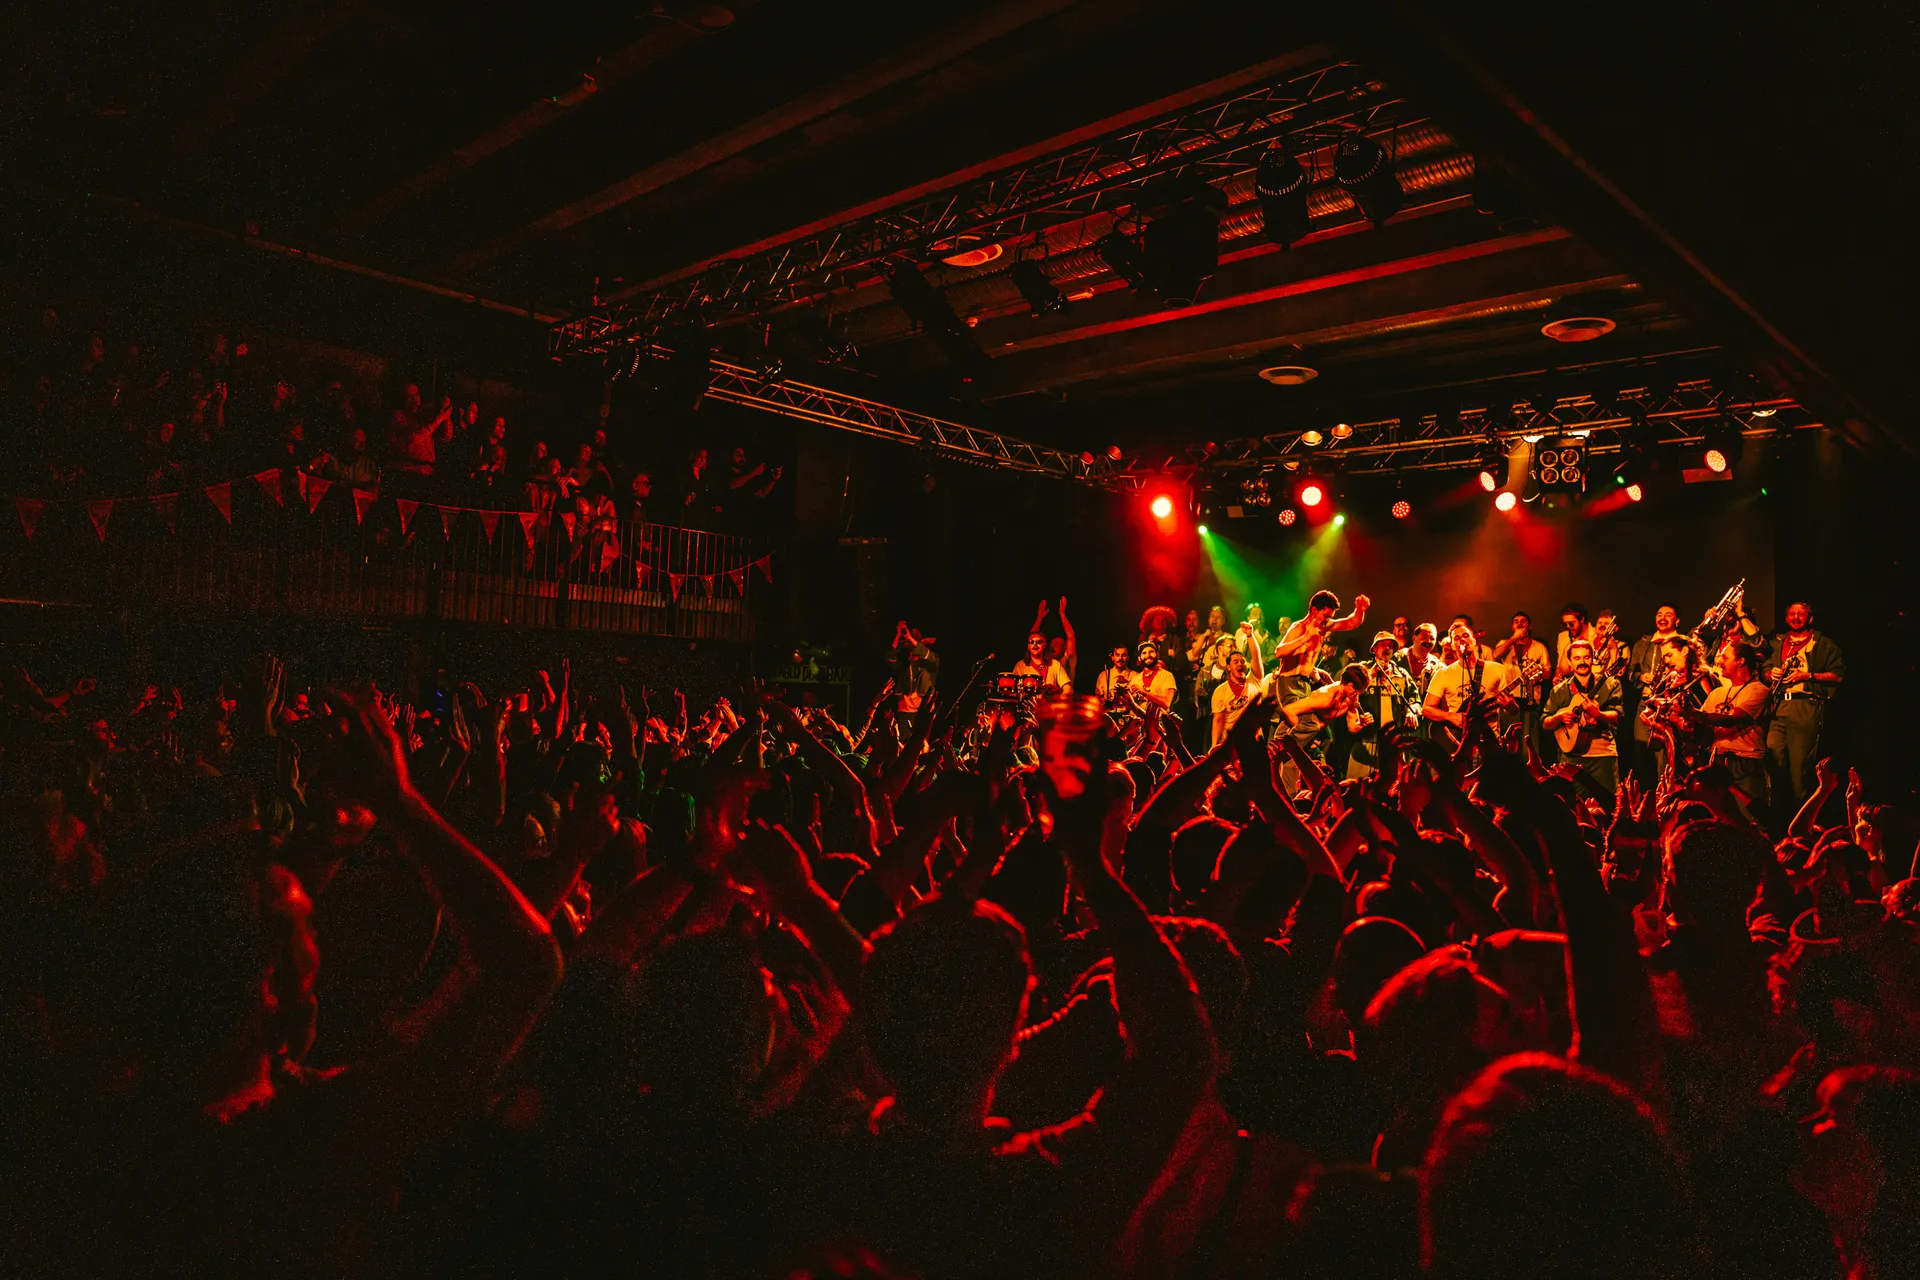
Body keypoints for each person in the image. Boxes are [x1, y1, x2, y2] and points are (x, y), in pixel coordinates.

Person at [1740, 600, 1845, 812]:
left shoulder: (1823, 644)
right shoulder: (1777, 643)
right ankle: (1779, 818)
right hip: (1778, 707)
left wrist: (1807, 675)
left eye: (1801, 614)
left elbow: (1838, 675)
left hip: (1804, 705)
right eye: (1792, 614)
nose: (1796, 617)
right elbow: (1763, 671)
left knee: (1800, 770)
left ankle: (1802, 820)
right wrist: (1770, 674)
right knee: (1774, 762)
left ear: (1810, 618)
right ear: (1786, 618)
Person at [1679, 639, 1772, 826]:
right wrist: (1681, 719)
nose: (1719, 662)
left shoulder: (1759, 690)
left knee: (1749, 820)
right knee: (1719, 821)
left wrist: (1692, 713)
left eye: (1725, 657)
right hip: (1718, 760)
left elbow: (1732, 720)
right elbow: (1701, 725)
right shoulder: (1717, 693)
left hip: (1746, 761)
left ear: (1741, 661)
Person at [1542, 638, 1623, 795]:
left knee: (1607, 802)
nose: (1582, 662)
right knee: (1573, 803)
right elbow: (1545, 722)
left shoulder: (1611, 684)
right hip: (1571, 756)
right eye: (1577, 658)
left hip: (1603, 754)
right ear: (1570, 662)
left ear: (1592, 659)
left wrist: (1598, 714)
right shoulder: (1559, 690)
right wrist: (1558, 718)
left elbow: (1616, 715)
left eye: (1586, 657)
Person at [1423, 617, 1509, 741]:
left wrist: (1510, 705)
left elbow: (1512, 711)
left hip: (1490, 740)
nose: (1462, 639)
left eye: (1465, 635)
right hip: (1458, 740)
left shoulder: (1497, 669)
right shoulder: (1443, 673)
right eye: (1457, 638)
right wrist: (1451, 716)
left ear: (1474, 641)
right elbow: (1427, 709)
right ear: (1453, 646)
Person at [1349, 631, 1416, 777]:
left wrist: (1411, 711)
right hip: (1368, 738)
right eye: (1383, 645)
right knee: (1362, 784)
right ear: (1374, 649)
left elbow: (1414, 698)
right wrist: (1372, 673)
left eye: (1390, 646)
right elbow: (1350, 692)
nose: (1387, 648)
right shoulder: (1363, 669)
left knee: (1394, 782)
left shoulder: (1402, 674)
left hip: (1394, 740)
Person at [1628, 603, 1683, 784]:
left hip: (1669, 705)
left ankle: (1664, 793)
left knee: (1664, 756)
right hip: (1646, 703)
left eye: (1668, 615)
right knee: (1641, 751)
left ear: (1677, 620)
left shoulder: (1682, 644)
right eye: (1659, 614)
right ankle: (1645, 794)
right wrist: (1641, 676)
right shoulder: (1642, 644)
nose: (1662, 618)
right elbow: (1631, 673)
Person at [1209, 623, 1267, 748]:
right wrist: (1214, 745)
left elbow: (1256, 656)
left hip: (1255, 743)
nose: (1240, 664)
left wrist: (1250, 636)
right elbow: (1218, 720)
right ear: (1228, 667)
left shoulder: (1254, 681)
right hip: (1231, 745)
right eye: (1235, 662)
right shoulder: (1220, 691)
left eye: (1242, 661)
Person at [1013, 628, 1071, 694]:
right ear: (1028, 646)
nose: (1035, 645)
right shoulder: (1020, 666)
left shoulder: (1055, 664)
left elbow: (1068, 687)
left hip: (1051, 701)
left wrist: (1061, 698)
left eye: (1039, 642)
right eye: (1031, 642)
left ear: (1044, 645)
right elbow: (1013, 690)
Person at [1555, 601, 1596, 677]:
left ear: (1582, 619)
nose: (1568, 627)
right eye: (1565, 624)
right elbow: (1560, 664)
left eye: (1571, 623)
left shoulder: (1597, 634)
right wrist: (1556, 676)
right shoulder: (1563, 636)